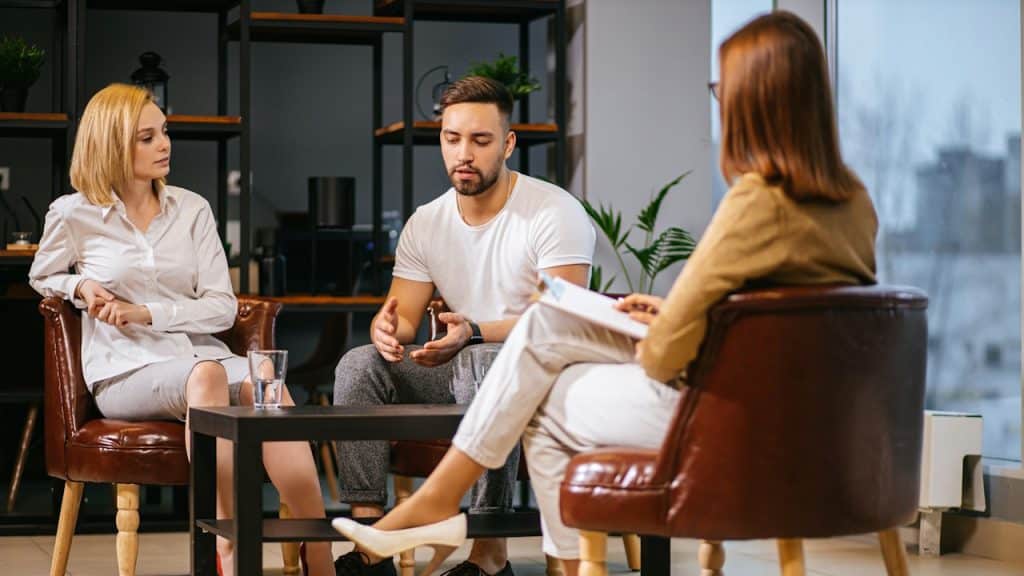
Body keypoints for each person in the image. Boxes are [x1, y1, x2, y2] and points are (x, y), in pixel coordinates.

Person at [332, 10, 878, 576]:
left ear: (754, 102)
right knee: (538, 356)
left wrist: (662, 327)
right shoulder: (853, 201)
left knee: (538, 373)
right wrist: (668, 312)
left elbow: (667, 355)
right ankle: (466, 523)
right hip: (798, 416)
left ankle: (445, 511)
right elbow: (770, 316)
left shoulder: (753, 204)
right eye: (452, 138)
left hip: (722, 414)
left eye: (722, 90)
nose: (718, 102)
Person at [28, 83, 334, 576]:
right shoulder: (73, 213)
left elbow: (221, 308)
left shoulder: (192, 210)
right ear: (111, 144)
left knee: (267, 384)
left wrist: (146, 312)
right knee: (208, 375)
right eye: (147, 137)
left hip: (197, 356)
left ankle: (320, 555)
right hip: (125, 371)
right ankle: (228, 547)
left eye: (164, 132)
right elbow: (41, 275)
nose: (165, 145)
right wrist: (80, 285)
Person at [331, 76, 595, 576]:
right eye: (452, 139)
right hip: (459, 363)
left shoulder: (554, 211)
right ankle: (371, 540)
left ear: (508, 144)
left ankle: (489, 553)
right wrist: (386, 329)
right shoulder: (427, 222)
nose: (464, 154)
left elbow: (562, 321)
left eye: (480, 140)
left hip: (543, 375)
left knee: (483, 361)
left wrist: (473, 332)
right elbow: (403, 319)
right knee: (358, 365)